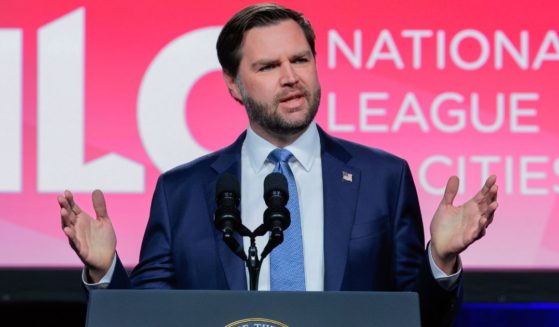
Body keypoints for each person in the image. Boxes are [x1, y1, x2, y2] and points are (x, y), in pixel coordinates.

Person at [58, 3, 498, 326]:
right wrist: (105, 272)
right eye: (269, 66)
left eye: (301, 59)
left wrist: (439, 261)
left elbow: (417, 317)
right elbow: (147, 319)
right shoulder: (182, 193)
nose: (291, 77)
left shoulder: (384, 178)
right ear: (234, 85)